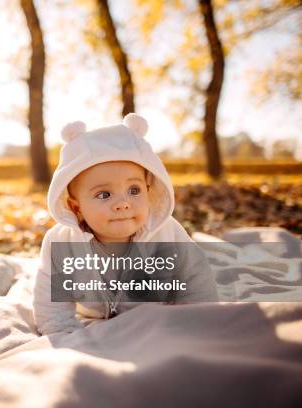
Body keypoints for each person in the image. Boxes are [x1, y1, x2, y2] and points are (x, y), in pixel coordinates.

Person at [33, 113, 218, 335]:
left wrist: (196, 318)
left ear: (149, 191)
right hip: (92, 312)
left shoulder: (167, 232)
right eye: (104, 194)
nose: (123, 204)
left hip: (152, 310)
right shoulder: (61, 242)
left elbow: (195, 275)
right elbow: (50, 297)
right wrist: (63, 332)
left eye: (134, 190)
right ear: (76, 207)